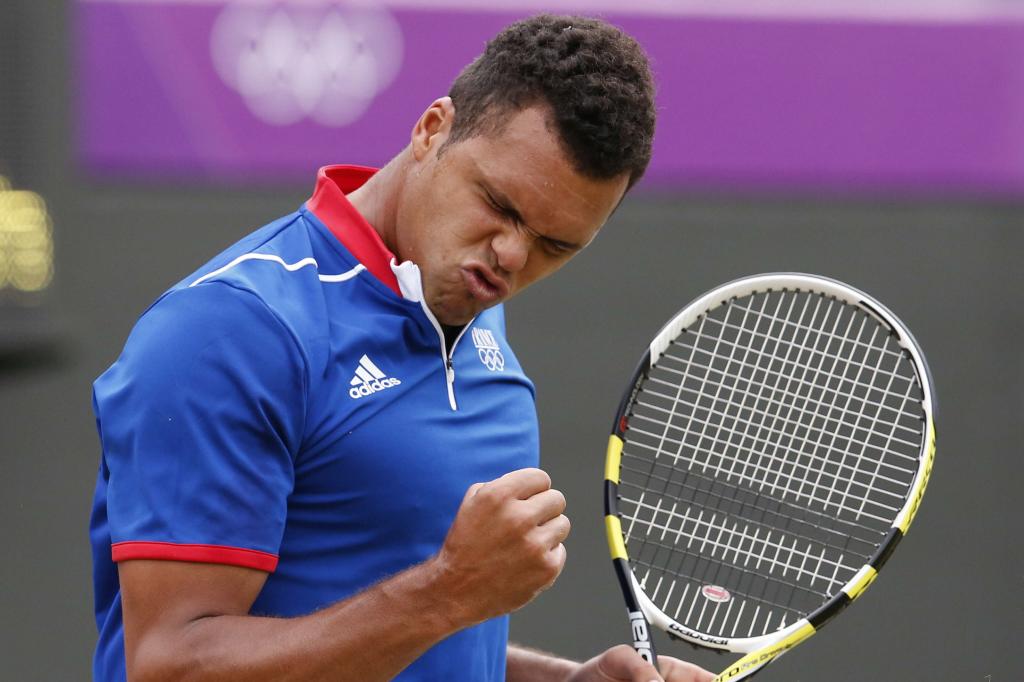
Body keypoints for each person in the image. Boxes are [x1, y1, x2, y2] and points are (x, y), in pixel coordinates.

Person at [89, 14, 713, 682]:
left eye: (555, 245)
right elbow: (170, 666)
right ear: (432, 130)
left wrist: (562, 681)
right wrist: (447, 592)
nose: (510, 255)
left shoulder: (473, 310)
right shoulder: (233, 330)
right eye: (499, 205)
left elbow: (403, 640)